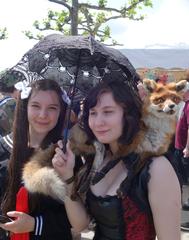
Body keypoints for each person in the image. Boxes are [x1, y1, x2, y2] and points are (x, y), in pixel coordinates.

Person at [52, 78, 181, 240]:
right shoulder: (99, 159)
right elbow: (80, 225)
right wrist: (67, 176)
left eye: (108, 112)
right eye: (93, 113)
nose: (98, 122)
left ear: (128, 115)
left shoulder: (156, 168)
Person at [0, 79, 75, 240]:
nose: (43, 115)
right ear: (24, 107)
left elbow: (77, 219)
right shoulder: (3, 148)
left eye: (52, 108)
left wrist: (35, 224)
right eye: (35, 106)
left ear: (61, 112)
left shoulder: (66, 155)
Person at [174, 89, 189, 231]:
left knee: (187, 181)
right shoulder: (185, 104)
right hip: (179, 148)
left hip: (185, 150)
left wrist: (187, 148)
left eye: (181, 92)